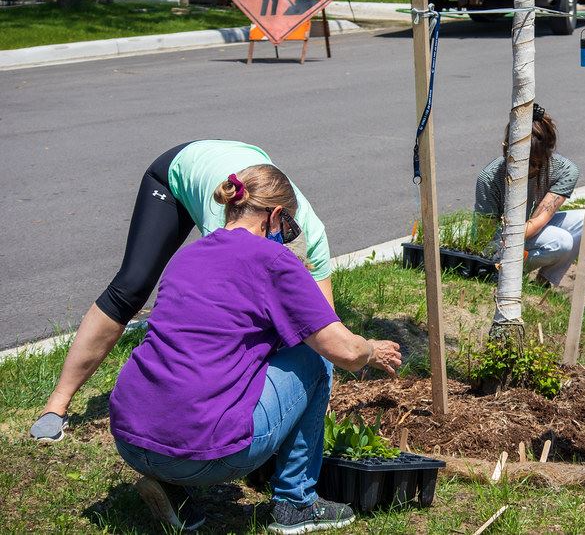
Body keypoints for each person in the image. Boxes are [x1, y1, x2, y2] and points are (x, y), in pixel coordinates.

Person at [109, 166, 402, 532]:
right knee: (315, 358)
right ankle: (296, 504)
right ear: (276, 216)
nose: (289, 237)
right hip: (203, 454)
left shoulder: (187, 257)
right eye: (291, 229)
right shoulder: (274, 261)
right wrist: (371, 349)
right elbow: (341, 349)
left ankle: (175, 491)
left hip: (131, 439)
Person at [30, 140, 335, 444]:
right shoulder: (228, 224)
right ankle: (56, 405)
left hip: (243, 172)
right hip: (175, 174)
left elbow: (325, 328)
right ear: (275, 218)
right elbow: (217, 315)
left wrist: (317, 399)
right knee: (132, 286)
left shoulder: (315, 242)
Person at [475, 104, 582, 339]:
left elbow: (541, 219)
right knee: (560, 242)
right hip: (498, 243)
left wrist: (519, 231)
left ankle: (542, 284)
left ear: (546, 155)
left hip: (530, 229)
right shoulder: (489, 178)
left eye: (533, 164)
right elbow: (483, 236)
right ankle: (505, 274)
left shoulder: (565, 171)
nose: (525, 169)